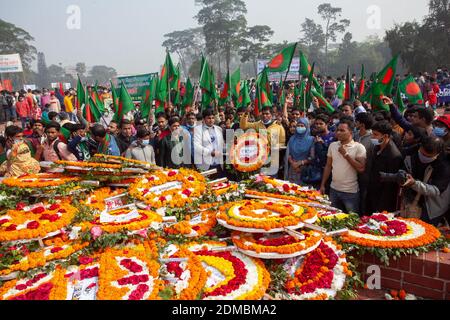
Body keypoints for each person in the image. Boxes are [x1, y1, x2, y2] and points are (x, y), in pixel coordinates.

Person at [320, 118, 367, 215]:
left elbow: (361, 168)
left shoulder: (359, 147)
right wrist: (323, 184)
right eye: (337, 130)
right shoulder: (333, 145)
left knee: (352, 220)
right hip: (334, 190)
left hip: (350, 192)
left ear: (350, 132)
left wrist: (346, 155)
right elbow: (328, 166)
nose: (338, 133)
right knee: (332, 218)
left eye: (342, 130)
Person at [400, 136, 450, 225]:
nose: (424, 157)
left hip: (431, 208)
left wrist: (414, 184)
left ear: (438, 153)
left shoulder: (444, 165)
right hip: (410, 201)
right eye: (422, 153)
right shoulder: (410, 152)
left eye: (428, 156)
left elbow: (436, 190)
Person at [366, 121, 403, 214]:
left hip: (382, 199)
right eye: (372, 134)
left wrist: (382, 207)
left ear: (385, 136)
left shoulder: (394, 155)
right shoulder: (377, 147)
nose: (372, 137)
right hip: (372, 191)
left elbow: (390, 186)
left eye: (375, 135)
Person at [193, 108, 224, 177]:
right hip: (205, 165)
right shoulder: (198, 129)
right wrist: (210, 152)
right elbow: (196, 146)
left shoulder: (218, 129)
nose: (211, 120)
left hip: (218, 164)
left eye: (213, 118)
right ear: (204, 119)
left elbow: (221, 144)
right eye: (209, 118)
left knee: (220, 185)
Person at [286, 118, 315, 185]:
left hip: (305, 170)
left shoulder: (311, 139)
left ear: (307, 127)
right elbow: (289, 154)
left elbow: (312, 157)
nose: (300, 127)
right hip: (292, 169)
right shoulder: (292, 138)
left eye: (302, 126)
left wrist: (300, 163)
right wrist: (293, 163)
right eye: (298, 126)